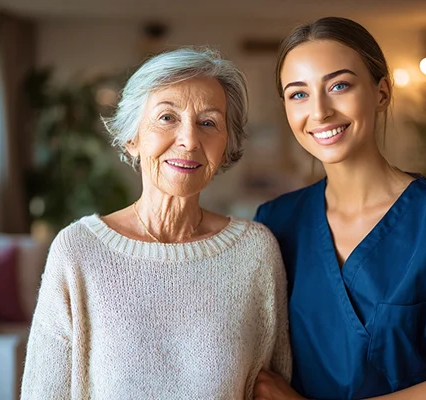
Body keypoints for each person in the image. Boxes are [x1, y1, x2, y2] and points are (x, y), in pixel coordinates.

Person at [252, 16, 426, 400]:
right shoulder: (275, 222)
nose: (319, 112)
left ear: (382, 92)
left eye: (339, 85)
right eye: (298, 94)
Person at [20, 47, 291, 399]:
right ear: (132, 138)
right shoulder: (78, 251)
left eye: (208, 122)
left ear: (225, 147)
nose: (189, 140)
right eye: (167, 118)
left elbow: (275, 386)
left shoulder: (255, 252)